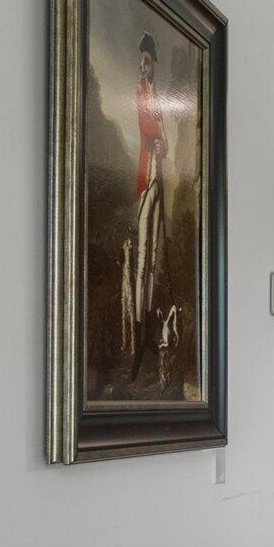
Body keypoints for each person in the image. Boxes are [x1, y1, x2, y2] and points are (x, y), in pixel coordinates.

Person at [120, 31, 168, 389]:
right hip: (145, 179)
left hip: (159, 178)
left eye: (148, 61)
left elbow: (163, 140)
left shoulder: (158, 96)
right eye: (142, 61)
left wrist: (163, 141)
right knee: (140, 265)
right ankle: (138, 340)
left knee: (152, 259)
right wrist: (160, 138)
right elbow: (149, 128)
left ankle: (150, 331)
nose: (143, 66)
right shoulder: (141, 94)